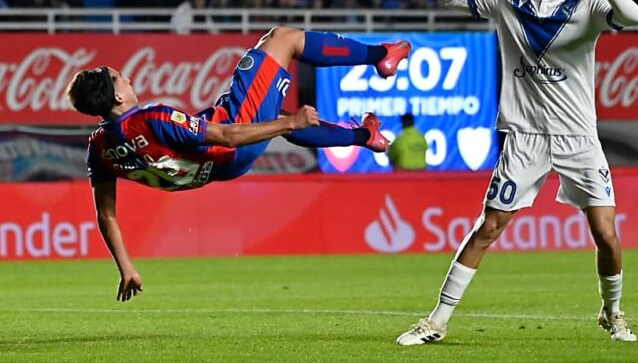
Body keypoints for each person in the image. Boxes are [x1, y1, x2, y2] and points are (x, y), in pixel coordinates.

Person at [396, 0, 638, 346]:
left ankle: (613, 312)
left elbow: (634, 17)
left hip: (578, 138)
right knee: (488, 227)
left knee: (606, 234)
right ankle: (436, 321)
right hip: (525, 137)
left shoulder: (587, 4)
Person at [66, 27, 411, 301]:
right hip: (230, 141)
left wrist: (126, 268)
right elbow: (228, 135)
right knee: (282, 38)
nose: (129, 80)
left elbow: (106, 214)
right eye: (121, 78)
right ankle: (382, 56)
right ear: (118, 96)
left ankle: (365, 136)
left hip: (219, 170)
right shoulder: (152, 118)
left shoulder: (99, 146)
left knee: (273, 116)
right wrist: (290, 125)